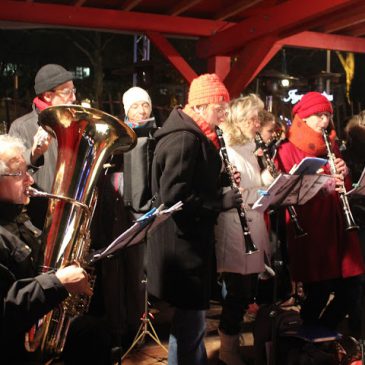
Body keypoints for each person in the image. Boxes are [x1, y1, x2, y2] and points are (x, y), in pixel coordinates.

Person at [147, 73, 242, 365]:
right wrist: (219, 201)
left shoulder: (196, 134)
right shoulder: (184, 139)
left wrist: (222, 178)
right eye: (220, 108)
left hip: (187, 242)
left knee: (192, 326)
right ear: (200, 106)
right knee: (189, 327)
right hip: (182, 246)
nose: (224, 114)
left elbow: (194, 180)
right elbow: (173, 196)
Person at [274, 91, 364, 331]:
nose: (324, 121)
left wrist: (343, 174)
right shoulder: (287, 149)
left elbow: (341, 187)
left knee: (353, 287)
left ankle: (323, 333)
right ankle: (308, 341)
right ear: (303, 117)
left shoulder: (331, 145)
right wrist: (317, 180)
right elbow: (284, 190)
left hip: (338, 227)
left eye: (327, 116)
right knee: (319, 292)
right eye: (318, 116)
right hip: (311, 227)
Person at [0, 134, 93, 364]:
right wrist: (58, 282)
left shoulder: (18, 217)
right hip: (12, 349)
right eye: (19, 173)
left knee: (92, 332)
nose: (30, 180)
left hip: (32, 331)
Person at [91, 86, 155, 349]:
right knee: (114, 271)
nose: (141, 110)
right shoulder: (114, 134)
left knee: (139, 272)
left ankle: (138, 325)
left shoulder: (155, 136)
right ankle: (116, 329)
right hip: (113, 213)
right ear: (126, 109)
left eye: (146, 105)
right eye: (136, 106)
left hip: (141, 212)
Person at [214, 94, 274, 365]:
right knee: (237, 292)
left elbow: (257, 182)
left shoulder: (252, 145)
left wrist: (267, 175)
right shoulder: (226, 146)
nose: (256, 122)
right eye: (251, 118)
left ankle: (233, 341)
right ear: (237, 120)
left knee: (249, 289)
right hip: (235, 224)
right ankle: (227, 348)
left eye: (258, 117)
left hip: (254, 217)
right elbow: (229, 189)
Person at [9, 64, 76, 228]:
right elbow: (11, 173)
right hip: (38, 218)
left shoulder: (74, 124)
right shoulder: (21, 127)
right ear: (47, 96)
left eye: (74, 91)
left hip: (72, 211)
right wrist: (34, 154)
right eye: (67, 92)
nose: (73, 98)